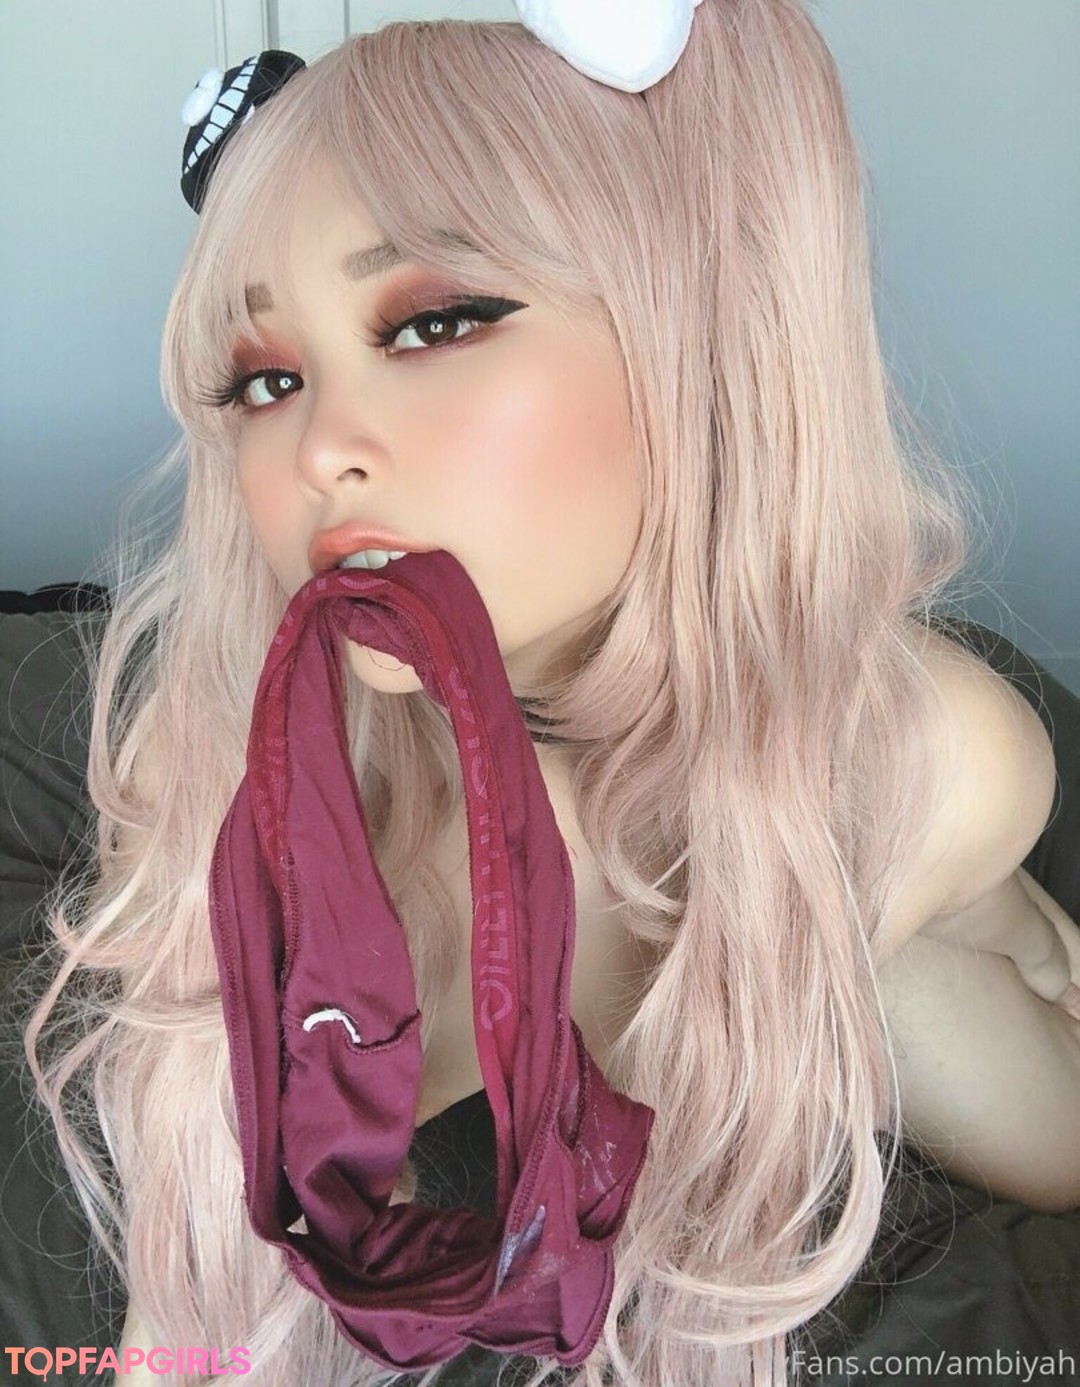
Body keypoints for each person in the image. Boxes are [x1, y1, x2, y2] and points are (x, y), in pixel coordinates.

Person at [18, 1, 1080, 1383]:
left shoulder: (931, 755)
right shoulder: (213, 788)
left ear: (696, 338)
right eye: (267, 378)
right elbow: (189, 1308)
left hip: (860, 844)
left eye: (434, 321)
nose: (322, 447)